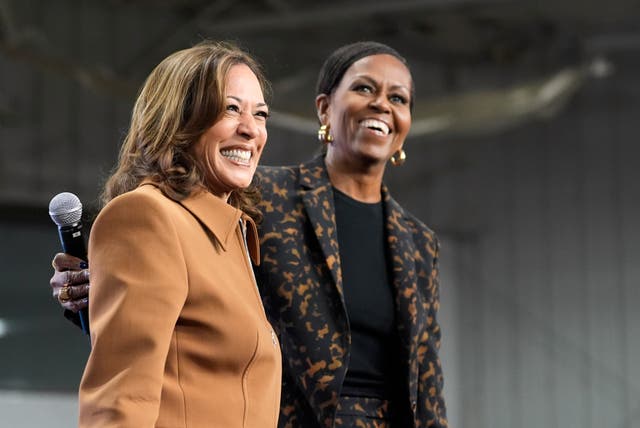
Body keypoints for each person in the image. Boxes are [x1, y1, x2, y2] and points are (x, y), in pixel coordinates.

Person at [51, 41, 447, 427]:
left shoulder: (416, 241)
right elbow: (148, 268)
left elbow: (425, 380)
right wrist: (92, 283)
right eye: (364, 88)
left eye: (400, 98)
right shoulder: (259, 199)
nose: (382, 104)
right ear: (324, 108)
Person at [65, 40, 282, 427]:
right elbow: (121, 398)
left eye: (260, 114)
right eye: (230, 108)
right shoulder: (146, 216)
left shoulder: (231, 234)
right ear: (179, 120)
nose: (251, 130)